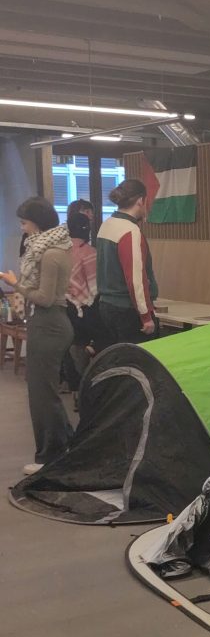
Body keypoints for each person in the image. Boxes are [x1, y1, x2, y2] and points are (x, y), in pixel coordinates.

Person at [0, 197, 74, 474]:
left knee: (43, 395)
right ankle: (65, 447)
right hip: (45, 324)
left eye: (24, 222)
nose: (22, 228)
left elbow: (44, 298)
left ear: (37, 222)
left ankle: (50, 457)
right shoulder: (46, 248)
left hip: (50, 324)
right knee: (44, 393)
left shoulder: (52, 253)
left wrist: (14, 284)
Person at [96, 179, 159, 344]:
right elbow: (135, 279)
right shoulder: (130, 231)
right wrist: (145, 316)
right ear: (140, 200)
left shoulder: (106, 225)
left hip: (105, 305)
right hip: (127, 310)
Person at [63, 211, 106, 399]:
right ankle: (89, 388)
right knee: (95, 341)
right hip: (83, 309)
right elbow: (95, 288)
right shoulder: (89, 252)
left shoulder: (61, 250)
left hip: (63, 305)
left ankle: (74, 391)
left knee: (69, 347)